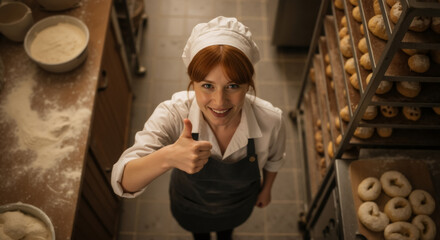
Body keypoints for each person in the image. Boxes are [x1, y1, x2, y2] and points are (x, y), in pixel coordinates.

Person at [111, 16, 286, 240]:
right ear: (192, 82)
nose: (219, 102)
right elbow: (123, 180)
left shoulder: (271, 120)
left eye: (233, 86)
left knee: (226, 234)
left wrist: (267, 189)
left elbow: (274, 159)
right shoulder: (173, 113)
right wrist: (168, 156)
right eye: (207, 86)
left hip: (237, 206)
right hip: (190, 206)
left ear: (248, 84)